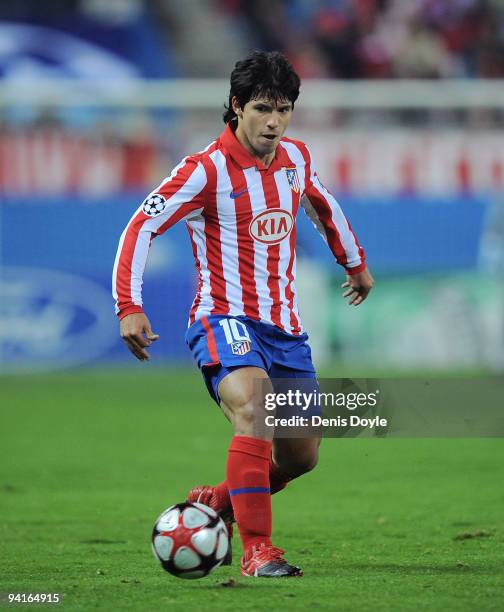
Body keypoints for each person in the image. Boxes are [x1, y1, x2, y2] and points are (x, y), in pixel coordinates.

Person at [112, 50, 374, 578]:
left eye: (284, 109)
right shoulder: (203, 170)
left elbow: (323, 204)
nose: (273, 121)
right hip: (222, 318)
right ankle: (257, 550)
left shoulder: (296, 158)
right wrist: (129, 305)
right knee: (252, 409)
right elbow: (141, 226)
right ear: (236, 106)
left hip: (284, 329)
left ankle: (216, 500)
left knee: (300, 457)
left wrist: (354, 263)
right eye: (262, 108)